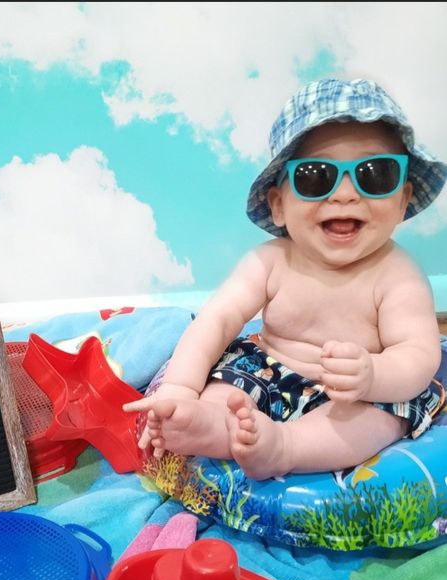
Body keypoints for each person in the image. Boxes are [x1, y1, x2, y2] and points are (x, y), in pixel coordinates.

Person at [123, 78, 447, 480]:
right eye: (315, 177)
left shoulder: (397, 276)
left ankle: (286, 447)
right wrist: (181, 389)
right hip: (268, 374)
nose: (345, 194)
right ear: (278, 205)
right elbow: (218, 319)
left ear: (401, 200)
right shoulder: (270, 261)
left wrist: (374, 375)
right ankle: (207, 424)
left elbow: (418, 354)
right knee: (230, 384)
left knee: (383, 418)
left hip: (352, 395)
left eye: (375, 174)